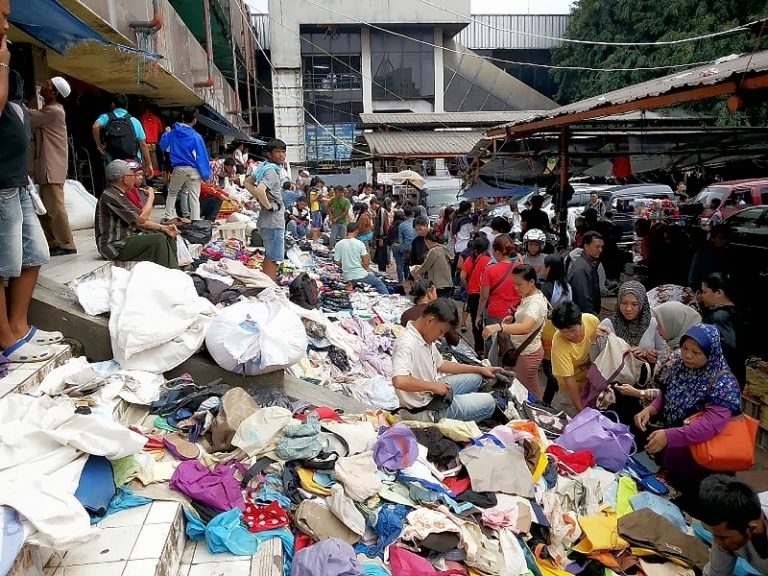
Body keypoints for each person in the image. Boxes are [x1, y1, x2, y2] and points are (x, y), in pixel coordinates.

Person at [634, 324, 742, 512]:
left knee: (697, 509)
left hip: (704, 464)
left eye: (696, 352)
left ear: (711, 352)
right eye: (684, 349)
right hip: (677, 457)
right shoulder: (679, 367)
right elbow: (667, 393)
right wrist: (651, 409)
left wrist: (669, 436)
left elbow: (709, 427)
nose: (688, 355)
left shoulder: (723, 383)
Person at [0, 40, 61, 364]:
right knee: (1, 266)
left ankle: (19, 326)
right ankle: (7, 338)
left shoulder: (26, 107)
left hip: (18, 185)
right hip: (2, 188)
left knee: (35, 252)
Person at [391, 299, 499, 423]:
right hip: (425, 411)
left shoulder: (424, 337)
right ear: (430, 321)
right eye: (441, 331)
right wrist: (433, 387)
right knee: (489, 403)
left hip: (432, 394)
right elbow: (400, 380)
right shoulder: (407, 343)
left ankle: (469, 400)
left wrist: (480, 368)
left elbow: (441, 364)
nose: (441, 337)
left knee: (477, 378)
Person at [95, 160, 179, 268]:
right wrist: (151, 197)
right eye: (132, 175)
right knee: (158, 240)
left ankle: (175, 270)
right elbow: (141, 219)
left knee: (166, 234)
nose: (134, 178)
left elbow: (138, 221)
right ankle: (173, 274)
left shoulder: (119, 193)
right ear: (125, 178)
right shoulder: (112, 195)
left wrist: (163, 228)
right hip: (114, 245)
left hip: (126, 238)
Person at [483, 265, 548, 399]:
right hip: (526, 351)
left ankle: (536, 413)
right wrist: (514, 318)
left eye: (519, 284)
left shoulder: (535, 303)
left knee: (523, 390)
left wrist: (500, 327)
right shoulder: (529, 295)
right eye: (514, 284)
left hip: (527, 354)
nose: (516, 288)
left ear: (531, 282)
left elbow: (526, 327)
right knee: (531, 385)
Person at [30, 76, 76, 257]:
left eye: (47, 86)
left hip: (52, 167)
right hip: (47, 166)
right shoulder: (51, 110)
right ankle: (54, 242)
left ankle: (67, 243)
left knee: (55, 208)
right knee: (46, 208)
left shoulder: (54, 111)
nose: (43, 87)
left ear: (55, 92)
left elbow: (28, 116)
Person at [698, 476, 768, 576]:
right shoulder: (724, 539)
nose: (717, 543)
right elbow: (715, 573)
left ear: (751, 528)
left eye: (723, 538)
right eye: (715, 535)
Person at [245, 139, 288, 281]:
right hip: (273, 221)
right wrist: (269, 206)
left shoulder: (264, 167)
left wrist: (260, 199)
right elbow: (260, 189)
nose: (282, 155)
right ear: (269, 154)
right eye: (277, 152)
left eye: (283, 151)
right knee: (272, 257)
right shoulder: (272, 171)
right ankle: (271, 287)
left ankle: (267, 284)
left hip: (266, 221)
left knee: (269, 255)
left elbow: (247, 182)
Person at [158, 107, 211, 222]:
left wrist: (166, 133)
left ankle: (168, 217)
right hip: (193, 170)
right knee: (194, 197)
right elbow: (201, 157)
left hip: (178, 168)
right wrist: (206, 175)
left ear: (182, 117)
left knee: (172, 192)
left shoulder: (173, 132)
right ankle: (195, 220)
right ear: (195, 120)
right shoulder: (196, 137)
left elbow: (163, 146)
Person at [550, 301, 601, 416]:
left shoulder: (591, 321)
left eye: (573, 330)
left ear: (581, 322)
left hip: (593, 385)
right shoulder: (559, 343)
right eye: (564, 332)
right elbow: (570, 381)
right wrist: (581, 410)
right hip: (571, 392)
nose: (569, 335)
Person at [701, 272, 746, 390]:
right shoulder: (737, 314)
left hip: (721, 381)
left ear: (719, 292)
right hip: (735, 377)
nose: (702, 296)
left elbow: (728, 349)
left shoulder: (719, 317)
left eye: (705, 292)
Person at [601, 280, 666, 356]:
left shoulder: (653, 324)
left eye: (634, 304)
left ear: (641, 304)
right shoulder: (608, 324)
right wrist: (594, 340)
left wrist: (646, 354)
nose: (628, 308)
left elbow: (664, 355)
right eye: (624, 303)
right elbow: (596, 358)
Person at [540, 255, 572, 405]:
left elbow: (542, 313)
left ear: (549, 269)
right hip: (564, 328)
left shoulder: (546, 289)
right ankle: (547, 400)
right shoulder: (567, 287)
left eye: (544, 267)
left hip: (549, 332)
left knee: (549, 367)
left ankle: (557, 387)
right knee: (555, 364)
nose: (542, 269)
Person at [92, 93, 152, 173]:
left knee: (114, 183)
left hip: (113, 161)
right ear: (126, 106)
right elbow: (143, 145)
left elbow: (95, 127)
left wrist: (99, 147)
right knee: (134, 183)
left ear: (113, 104)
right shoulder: (134, 120)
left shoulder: (106, 117)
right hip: (133, 162)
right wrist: (149, 165)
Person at [477, 234, 521, 332]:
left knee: (493, 343)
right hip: (516, 312)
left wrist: (478, 314)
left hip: (496, 313)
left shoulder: (490, 270)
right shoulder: (519, 267)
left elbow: (484, 296)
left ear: (497, 252)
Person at [400, 280, 460, 346]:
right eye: (435, 292)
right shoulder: (438, 314)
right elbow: (454, 340)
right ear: (430, 294)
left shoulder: (406, 313)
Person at [334, 222, 388, 295]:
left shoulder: (339, 244)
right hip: (359, 274)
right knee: (379, 283)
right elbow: (366, 260)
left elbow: (336, 261)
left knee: (354, 282)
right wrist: (365, 268)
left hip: (347, 275)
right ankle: (387, 298)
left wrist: (346, 265)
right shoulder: (359, 243)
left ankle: (352, 286)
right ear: (356, 231)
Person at [461, 235, 492, 357]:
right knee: (488, 322)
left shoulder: (469, 260)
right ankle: (488, 350)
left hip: (473, 295)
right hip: (486, 294)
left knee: (476, 322)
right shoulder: (489, 260)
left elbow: (462, 277)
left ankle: (478, 349)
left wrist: (468, 287)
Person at [567, 231, 604, 315]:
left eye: (602, 247)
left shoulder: (588, 264)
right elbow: (583, 298)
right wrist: (592, 316)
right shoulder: (581, 268)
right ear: (586, 246)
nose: (600, 250)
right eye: (597, 247)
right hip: (583, 316)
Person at [413, 231, 453, 298]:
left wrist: (416, 272)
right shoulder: (443, 249)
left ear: (428, 240)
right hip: (447, 283)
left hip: (439, 285)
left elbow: (426, 266)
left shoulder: (434, 251)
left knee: (438, 305)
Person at [689, 224, 730, 290]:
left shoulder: (727, 253)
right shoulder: (703, 253)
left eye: (726, 238)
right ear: (712, 238)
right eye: (721, 238)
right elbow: (693, 278)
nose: (724, 241)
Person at [393, 205, 417, 283]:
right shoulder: (417, 222)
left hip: (407, 248)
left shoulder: (402, 225)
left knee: (403, 263)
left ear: (405, 214)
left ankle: (403, 279)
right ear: (413, 213)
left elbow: (401, 240)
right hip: (417, 248)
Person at [138, 102, 163, 177]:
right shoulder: (157, 119)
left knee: (146, 160)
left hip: (145, 143)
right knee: (154, 159)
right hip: (154, 144)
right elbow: (160, 131)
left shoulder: (141, 119)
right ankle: (154, 175)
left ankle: (147, 175)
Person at [450, 201, 474, 274]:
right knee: (466, 270)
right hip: (466, 247)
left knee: (459, 268)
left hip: (457, 247)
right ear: (467, 209)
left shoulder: (455, 220)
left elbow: (452, 235)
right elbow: (472, 232)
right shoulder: (467, 220)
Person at [370, 196, 390, 272]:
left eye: (371, 206)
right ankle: (381, 269)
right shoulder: (378, 211)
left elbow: (382, 225)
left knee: (382, 254)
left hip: (382, 236)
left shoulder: (381, 211)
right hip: (379, 236)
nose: (372, 208)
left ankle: (382, 270)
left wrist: (381, 237)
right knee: (380, 254)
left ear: (374, 204)